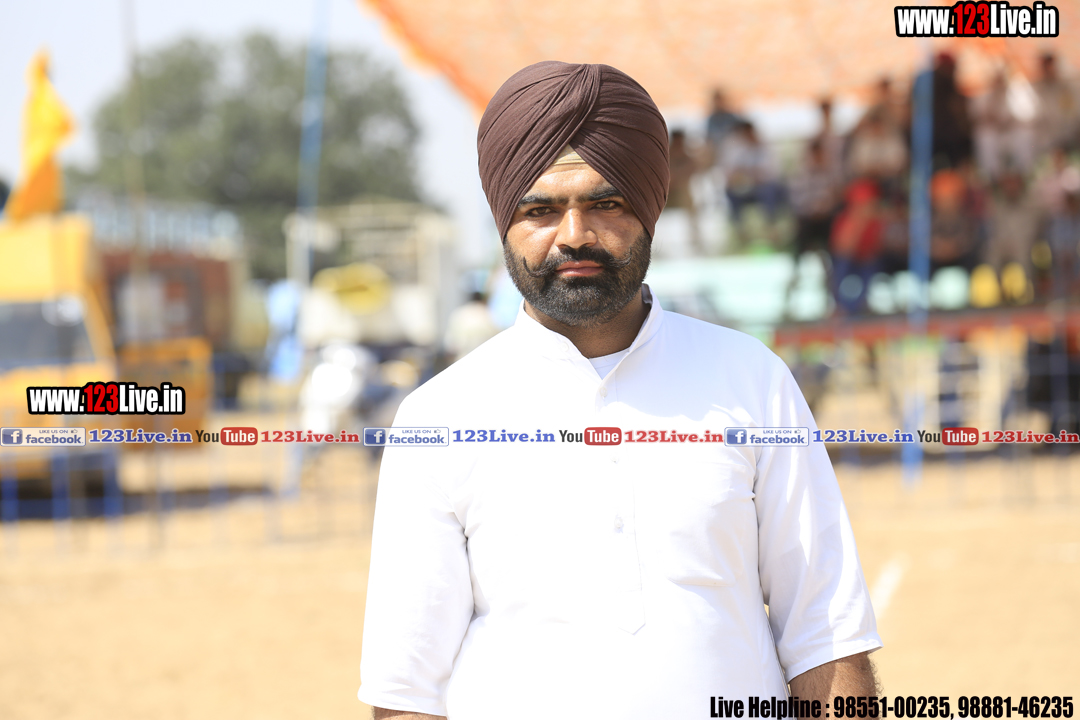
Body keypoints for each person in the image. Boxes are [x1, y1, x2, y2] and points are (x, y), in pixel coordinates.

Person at [358, 60, 881, 720]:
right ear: (503, 226)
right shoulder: (439, 417)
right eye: (540, 210)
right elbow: (407, 692)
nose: (574, 235)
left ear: (649, 211)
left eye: (605, 204)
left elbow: (826, 640)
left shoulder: (751, 380)